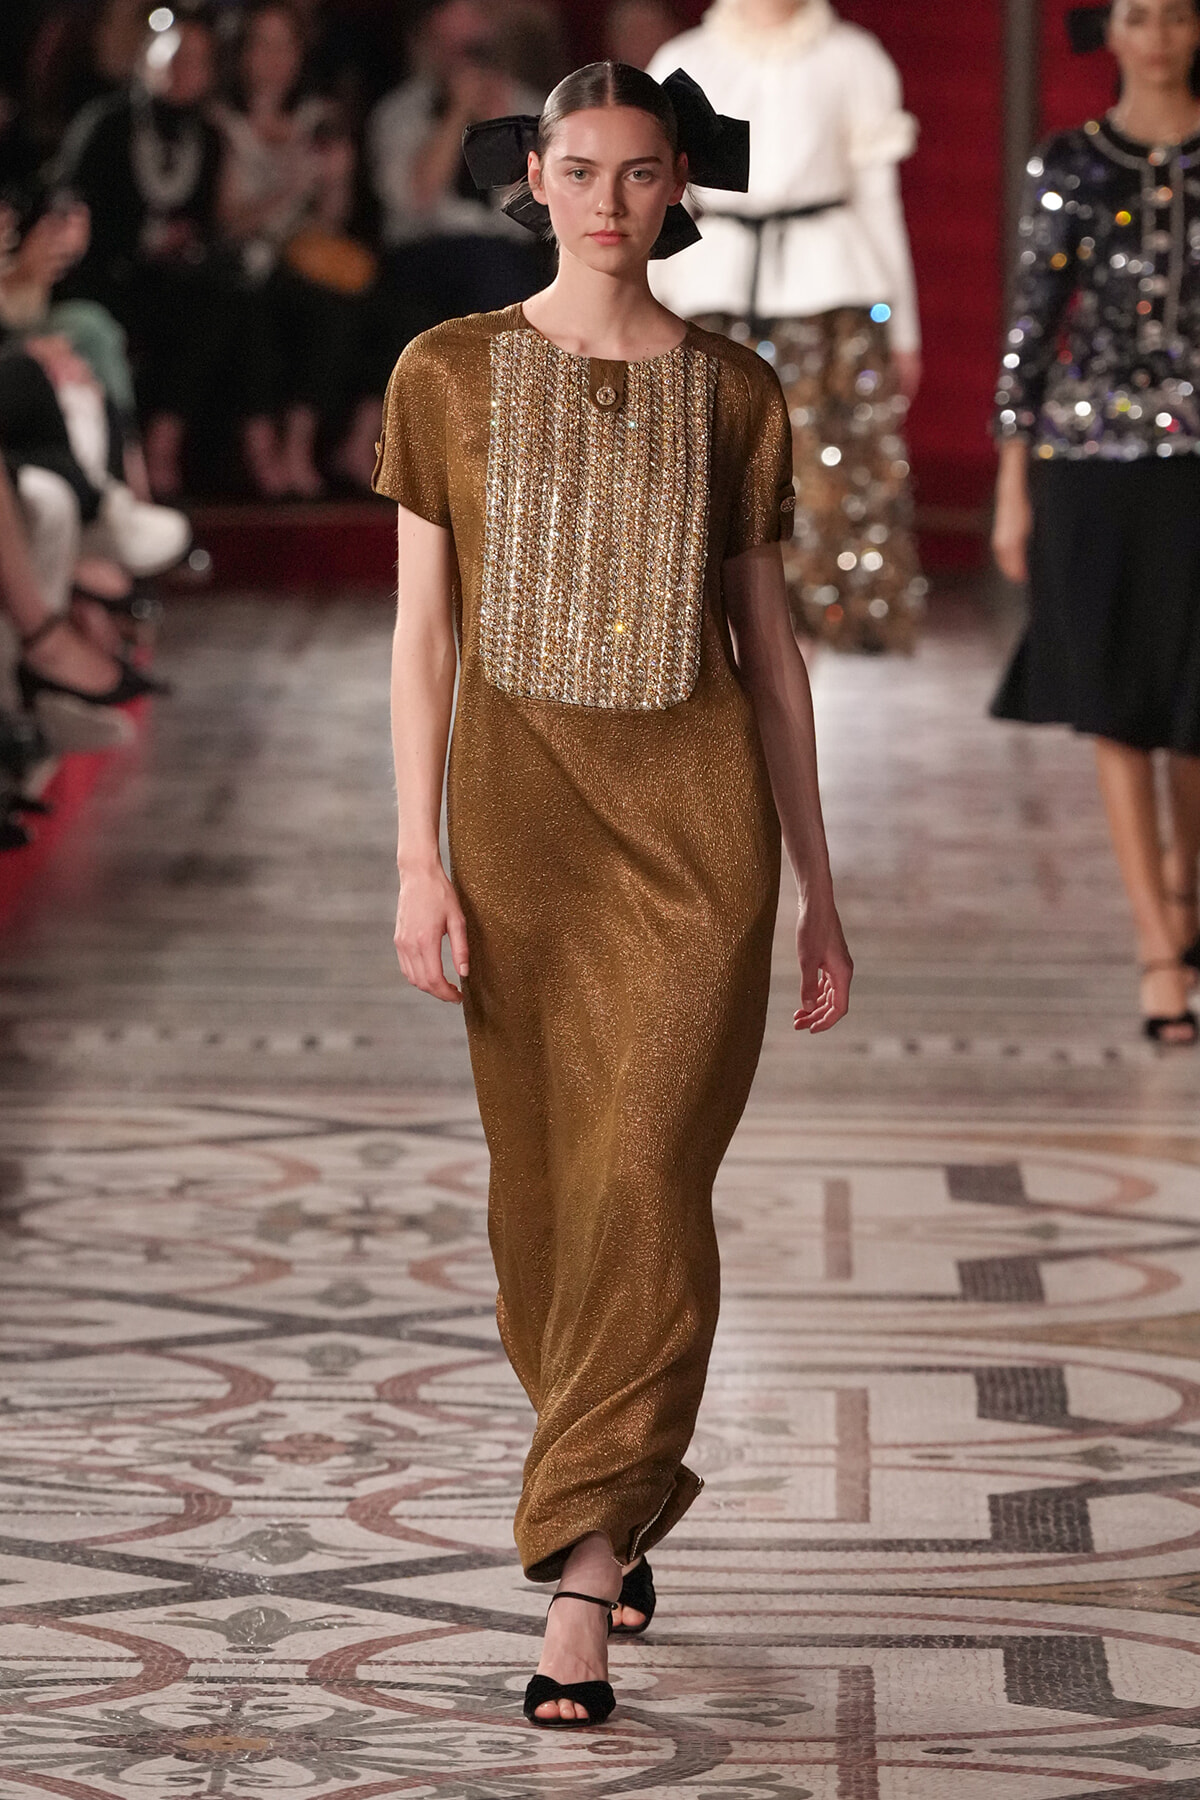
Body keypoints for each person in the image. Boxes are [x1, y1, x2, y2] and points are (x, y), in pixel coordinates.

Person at [375, 59, 852, 1729]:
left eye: (638, 172)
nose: (604, 197)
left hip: (697, 849)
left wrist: (819, 889)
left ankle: (579, 1579)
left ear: (677, 190)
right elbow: (422, 635)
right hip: (520, 841)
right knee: (550, 1204)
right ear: (532, 173)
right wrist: (420, 858)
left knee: (647, 1173)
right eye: (576, 167)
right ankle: (620, 1487)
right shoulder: (445, 372)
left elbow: (773, 658)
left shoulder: (733, 390)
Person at [992, 0, 1200, 1044]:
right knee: (1117, 705)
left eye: (1175, 14)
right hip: (1090, 459)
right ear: (1107, 32)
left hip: (1198, 460)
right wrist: (1011, 484)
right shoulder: (1070, 163)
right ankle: (1158, 947)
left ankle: (1184, 889)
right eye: (1138, 14)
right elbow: (1031, 323)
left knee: (1194, 712)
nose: (1157, 34)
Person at [647, 0, 925, 653]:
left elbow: (879, 199)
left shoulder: (852, 57)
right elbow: (660, 198)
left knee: (823, 494)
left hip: (830, 303)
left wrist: (903, 329)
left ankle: (803, 671)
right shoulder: (685, 60)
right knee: (713, 483)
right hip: (709, 292)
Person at [53, 9, 279, 498]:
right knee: (207, 306)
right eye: (173, 52)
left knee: (233, 298)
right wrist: (143, 241)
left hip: (177, 282)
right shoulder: (107, 124)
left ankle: (187, 441)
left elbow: (212, 225)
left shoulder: (210, 137)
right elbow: (71, 212)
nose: (183, 68)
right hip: (106, 276)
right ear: (146, 55)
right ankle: (164, 449)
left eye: (198, 59)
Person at [214, 0, 370, 497]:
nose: (272, 56)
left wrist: (334, 180)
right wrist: (289, 185)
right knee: (248, 304)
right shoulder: (221, 121)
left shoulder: (317, 118)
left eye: (284, 44)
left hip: (298, 260)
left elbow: (330, 222)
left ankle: (298, 448)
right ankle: (261, 453)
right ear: (240, 52)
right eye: (261, 43)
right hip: (240, 263)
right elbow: (228, 224)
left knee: (342, 307)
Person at [365, 0, 548, 349]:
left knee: (502, 273)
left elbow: (536, 211)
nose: (463, 62)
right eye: (448, 46)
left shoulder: (534, 108)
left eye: (473, 49)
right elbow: (417, 200)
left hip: (506, 258)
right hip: (424, 255)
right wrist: (456, 113)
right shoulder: (398, 113)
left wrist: (498, 127)